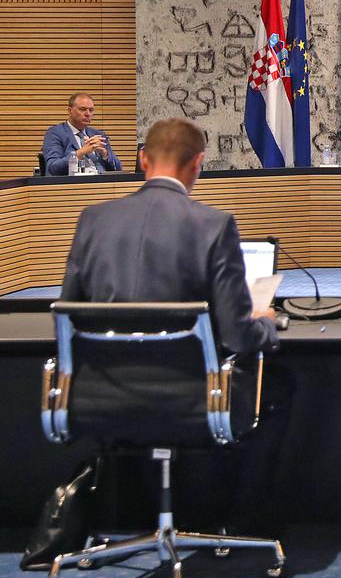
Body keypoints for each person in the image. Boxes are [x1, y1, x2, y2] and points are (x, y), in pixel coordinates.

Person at [59, 116, 288, 532]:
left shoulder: (92, 220)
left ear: (143, 160)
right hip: (193, 400)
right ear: (198, 163)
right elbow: (238, 335)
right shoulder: (214, 225)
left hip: (100, 397)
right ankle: (238, 524)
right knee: (278, 385)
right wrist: (267, 325)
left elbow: (69, 313)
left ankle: (133, 517)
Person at [42, 92, 123, 176]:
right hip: (75, 182)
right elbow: (52, 168)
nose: (88, 114)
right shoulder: (55, 133)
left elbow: (118, 169)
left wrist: (105, 154)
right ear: (70, 111)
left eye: (91, 110)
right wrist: (81, 152)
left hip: (103, 181)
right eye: (82, 109)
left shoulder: (98, 134)